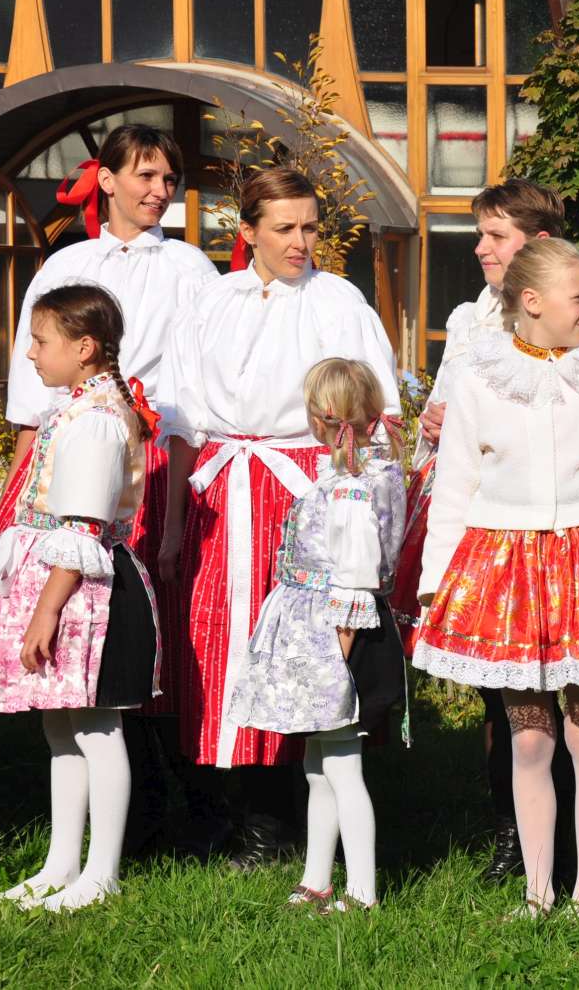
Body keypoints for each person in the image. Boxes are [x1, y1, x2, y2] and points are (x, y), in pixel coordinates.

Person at [414, 238, 579, 918]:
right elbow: (456, 486)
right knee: (530, 738)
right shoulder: (480, 379)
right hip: (505, 572)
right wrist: (437, 584)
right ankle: (538, 891)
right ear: (532, 302)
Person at [161, 167, 400, 866]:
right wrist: (173, 524)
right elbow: (183, 418)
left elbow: (374, 414)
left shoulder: (339, 302)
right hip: (222, 487)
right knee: (218, 642)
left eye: (311, 227)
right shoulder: (213, 301)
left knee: (297, 648)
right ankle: (217, 808)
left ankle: (277, 817)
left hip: (303, 489)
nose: (301, 242)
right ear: (249, 232)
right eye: (285, 228)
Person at [0, 124, 219, 853]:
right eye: (145, 176)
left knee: (141, 627)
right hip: (72, 450)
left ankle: (179, 801)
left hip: (154, 455)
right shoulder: (70, 263)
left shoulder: (189, 267)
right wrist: (14, 498)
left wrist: (179, 507)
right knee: (67, 627)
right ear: (109, 180)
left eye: (168, 178)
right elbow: (33, 391)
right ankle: (107, 815)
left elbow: (196, 386)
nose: (159, 191)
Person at [389, 178, 577, 885]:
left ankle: (562, 832)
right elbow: (444, 413)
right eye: (481, 234)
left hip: (538, 519)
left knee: (548, 684)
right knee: (495, 686)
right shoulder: (471, 318)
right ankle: (511, 829)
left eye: (497, 235)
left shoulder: (571, 317)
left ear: (538, 243)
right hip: (475, 520)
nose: (481, 248)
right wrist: (437, 425)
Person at [0, 284, 161, 910]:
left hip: (86, 592)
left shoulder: (98, 419)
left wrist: (46, 610)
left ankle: (101, 873)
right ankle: (60, 865)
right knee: (62, 727)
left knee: (97, 727)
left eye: (40, 340)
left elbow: (83, 526)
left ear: (84, 348)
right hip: (61, 583)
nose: (29, 353)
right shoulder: (75, 409)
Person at [227, 358, 407, 911]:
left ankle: (362, 890)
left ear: (322, 419)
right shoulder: (348, 477)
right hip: (324, 632)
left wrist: (335, 660)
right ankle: (316, 878)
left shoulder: (353, 487)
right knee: (318, 766)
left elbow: (355, 578)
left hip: (341, 640)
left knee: (344, 769)